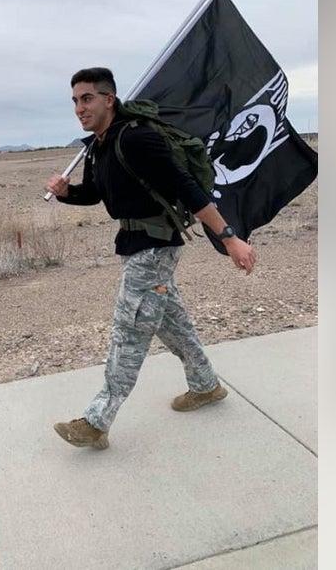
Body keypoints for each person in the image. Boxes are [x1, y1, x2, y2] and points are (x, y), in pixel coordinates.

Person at [46, 67, 256, 449]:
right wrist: (65, 192)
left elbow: (187, 188)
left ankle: (96, 422)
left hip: (155, 247)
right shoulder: (98, 144)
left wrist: (229, 239)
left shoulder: (139, 138)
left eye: (87, 98)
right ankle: (206, 385)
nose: (80, 107)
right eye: (75, 101)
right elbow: (94, 193)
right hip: (133, 243)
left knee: (129, 330)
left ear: (109, 99)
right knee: (170, 322)